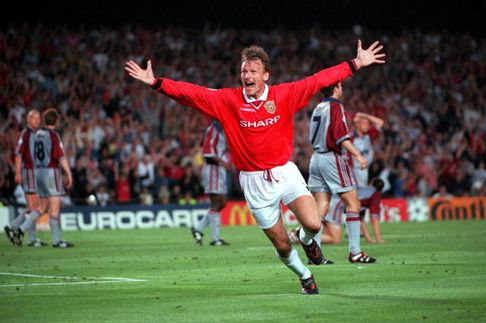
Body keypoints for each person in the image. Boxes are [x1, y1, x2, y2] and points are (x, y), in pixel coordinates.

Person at [125, 40, 385, 294]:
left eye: (252, 71)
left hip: (285, 172)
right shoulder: (228, 101)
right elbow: (192, 93)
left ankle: (308, 242)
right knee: (282, 244)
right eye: (243, 71)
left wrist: (356, 64)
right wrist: (157, 83)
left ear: (265, 75)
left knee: (314, 224)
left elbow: (318, 79)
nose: (247, 75)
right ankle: (305, 277)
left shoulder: (284, 95)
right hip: (254, 182)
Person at [307, 82, 376, 263]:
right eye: (341, 86)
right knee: (353, 203)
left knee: (320, 206)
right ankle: (355, 252)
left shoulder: (318, 107)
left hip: (315, 158)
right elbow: (340, 136)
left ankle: (315, 254)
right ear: (336, 89)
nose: (342, 90)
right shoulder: (335, 106)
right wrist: (359, 156)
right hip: (332, 158)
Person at [12, 108, 74, 248]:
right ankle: (57, 240)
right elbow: (61, 157)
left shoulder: (35, 134)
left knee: (42, 207)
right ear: (56, 121)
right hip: (51, 172)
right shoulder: (53, 136)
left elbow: (28, 154)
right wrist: (69, 173)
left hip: (37, 172)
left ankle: (21, 229)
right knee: (55, 208)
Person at [4, 109, 47, 247]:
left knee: (32, 207)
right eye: (34, 118)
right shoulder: (26, 134)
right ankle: (26, 235)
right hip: (29, 172)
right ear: (29, 120)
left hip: (33, 172)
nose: (37, 120)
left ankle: (13, 227)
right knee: (38, 206)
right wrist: (17, 172)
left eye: (39, 118)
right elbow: (18, 155)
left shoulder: (34, 134)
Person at [191, 121, 231, 246]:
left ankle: (198, 229)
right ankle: (215, 239)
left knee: (222, 203)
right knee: (216, 203)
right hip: (213, 169)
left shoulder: (221, 131)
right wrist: (222, 161)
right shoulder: (212, 130)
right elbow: (208, 153)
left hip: (220, 171)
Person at [351, 112, 384, 188]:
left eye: (368, 123)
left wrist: (366, 116)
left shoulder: (368, 136)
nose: (367, 126)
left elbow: (380, 123)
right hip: (355, 170)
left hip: (364, 170)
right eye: (364, 123)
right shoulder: (351, 138)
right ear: (358, 124)